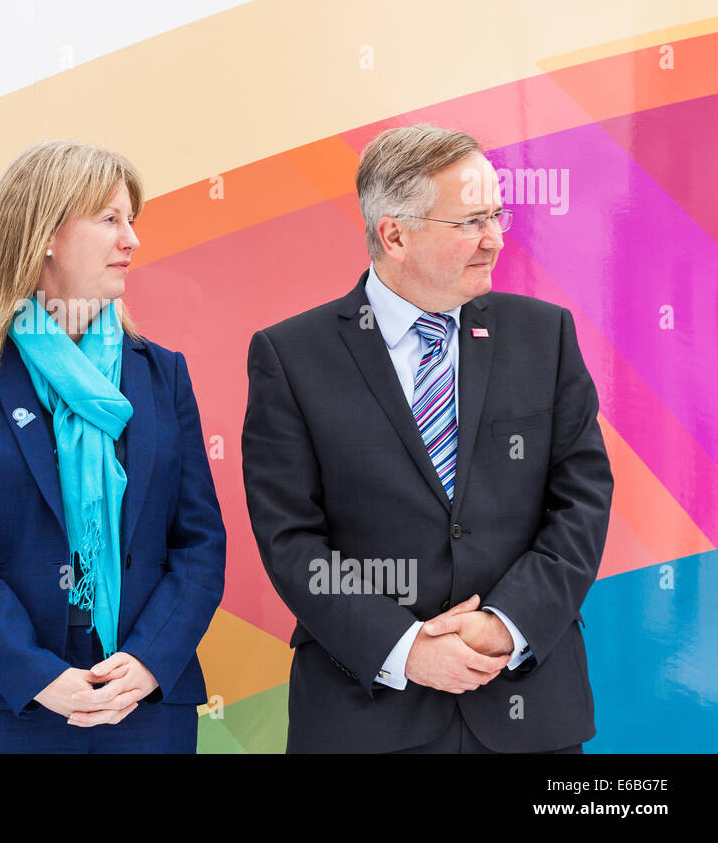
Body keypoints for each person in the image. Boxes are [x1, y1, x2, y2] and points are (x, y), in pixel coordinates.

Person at [242, 123, 612, 753]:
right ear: (394, 234)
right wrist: (405, 648)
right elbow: (290, 538)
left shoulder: (544, 336)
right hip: (366, 714)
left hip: (527, 711)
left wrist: (505, 624)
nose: (495, 239)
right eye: (470, 222)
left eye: (497, 215)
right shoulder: (290, 356)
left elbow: (581, 501)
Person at [0, 140, 226, 753]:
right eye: (110, 220)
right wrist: (38, 676)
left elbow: (199, 542)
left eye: (130, 221)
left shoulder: (163, 374)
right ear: (44, 234)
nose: (131, 240)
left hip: (145, 703)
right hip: (6, 705)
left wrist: (150, 662)